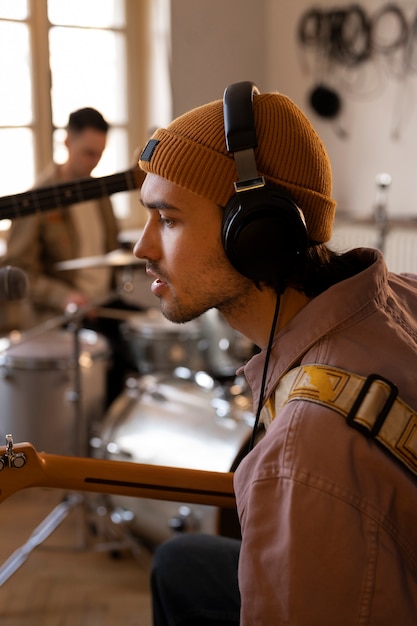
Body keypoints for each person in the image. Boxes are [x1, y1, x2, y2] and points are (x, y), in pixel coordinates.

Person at [133, 81, 417, 625]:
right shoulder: (401, 295)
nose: (143, 248)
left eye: (168, 220)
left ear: (257, 234)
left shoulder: (302, 456)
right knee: (180, 563)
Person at [4, 107, 140, 406]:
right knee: (115, 362)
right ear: (67, 142)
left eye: (100, 154)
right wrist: (65, 297)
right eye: (87, 153)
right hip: (62, 317)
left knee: (147, 337)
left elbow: (109, 249)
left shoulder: (99, 191)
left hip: (103, 304)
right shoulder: (38, 197)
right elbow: (17, 270)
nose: (94, 162)